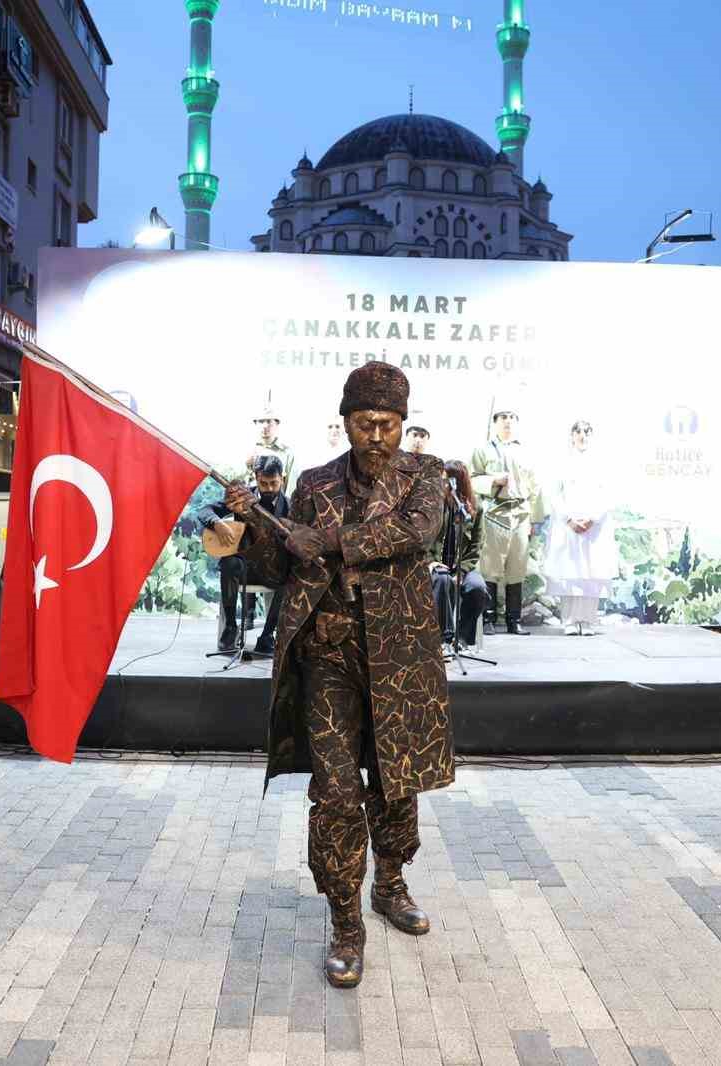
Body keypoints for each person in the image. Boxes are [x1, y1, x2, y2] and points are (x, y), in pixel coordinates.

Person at [226, 360, 451, 989]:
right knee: (334, 794)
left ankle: (392, 883)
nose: (375, 435)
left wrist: (325, 540)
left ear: (403, 424)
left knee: (395, 780)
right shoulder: (313, 482)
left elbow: (415, 531)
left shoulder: (425, 476)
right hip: (327, 658)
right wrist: (256, 524)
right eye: (363, 423)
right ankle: (345, 920)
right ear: (345, 423)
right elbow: (284, 566)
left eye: (386, 424)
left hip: (398, 660)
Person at [197, 456, 291, 655]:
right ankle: (230, 627)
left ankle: (267, 635)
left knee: (291, 578)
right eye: (263, 483)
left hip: (272, 569)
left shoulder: (291, 506)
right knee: (229, 563)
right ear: (256, 478)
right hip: (244, 565)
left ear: (282, 479)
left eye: (273, 483)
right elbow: (206, 510)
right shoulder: (241, 496)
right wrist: (217, 523)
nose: (269, 488)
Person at [470, 408, 542, 634]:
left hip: (520, 513)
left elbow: (535, 487)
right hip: (494, 513)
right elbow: (471, 479)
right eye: (503, 418)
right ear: (495, 422)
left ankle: (514, 620)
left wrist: (534, 518)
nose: (508, 422)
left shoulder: (526, 451)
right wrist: (493, 480)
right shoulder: (482, 449)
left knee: (517, 567)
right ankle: (488, 618)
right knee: (490, 567)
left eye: (512, 418)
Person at [541, 421, 617, 636]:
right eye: (578, 432)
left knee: (591, 573)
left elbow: (608, 495)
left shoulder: (602, 463)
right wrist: (569, 520)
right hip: (568, 527)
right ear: (572, 435)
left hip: (595, 528)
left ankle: (588, 620)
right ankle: (570, 621)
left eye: (587, 432)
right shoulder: (562, 462)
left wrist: (593, 518)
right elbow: (554, 494)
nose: (582, 436)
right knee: (570, 573)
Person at [430, 460, 489, 646]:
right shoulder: (433, 504)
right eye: (442, 479)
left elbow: (476, 545)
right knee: (442, 580)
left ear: (458, 482)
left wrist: (462, 572)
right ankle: (444, 638)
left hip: (462, 566)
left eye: (447, 480)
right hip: (435, 564)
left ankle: (462, 638)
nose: (443, 483)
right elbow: (421, 539)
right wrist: (430, 562)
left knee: (477, 589)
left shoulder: (474, 507)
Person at [247, 405, 296, 485]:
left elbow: (291, 486)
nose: (265, 426)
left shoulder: (287, 453)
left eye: (269, 421)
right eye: (261, 421)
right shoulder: (249, 451)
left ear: (276, 424)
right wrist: (248, 468)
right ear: (256, 424)